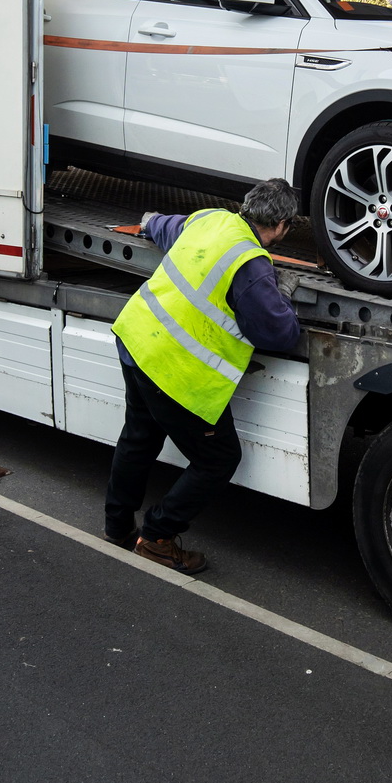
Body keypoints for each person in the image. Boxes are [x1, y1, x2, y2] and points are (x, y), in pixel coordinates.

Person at [104, 177, 304, 574]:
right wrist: (282, 295)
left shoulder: (210, 219)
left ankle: (117, 525)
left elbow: (165, 227)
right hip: (174, 368)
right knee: (218, 459)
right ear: (281, 226)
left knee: (139, 436)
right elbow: (279, 333)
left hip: (137, 338)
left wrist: (147, 222)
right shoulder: (252, 265)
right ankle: (158, 538)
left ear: (246, 206)